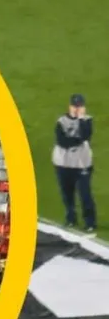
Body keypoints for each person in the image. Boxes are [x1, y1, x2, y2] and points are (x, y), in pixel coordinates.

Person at [53, 93, 95, 233]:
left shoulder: (87, 120)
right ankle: (71, 219)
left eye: (80, 107)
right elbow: (62, 142)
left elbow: (86, 135)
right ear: (70, 106)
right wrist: (78, 142)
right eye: (75, 106)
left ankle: (90, 222)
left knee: (85, 194)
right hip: (63, 163)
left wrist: (81, 119)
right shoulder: (61, 121)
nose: (77, 109)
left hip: (82, 163)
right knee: (67, 194)